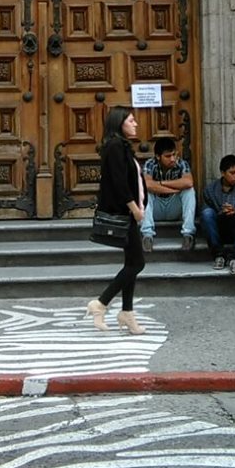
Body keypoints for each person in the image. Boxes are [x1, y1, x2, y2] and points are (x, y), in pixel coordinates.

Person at [86, 105, 147, 335]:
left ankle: (127, 313)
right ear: (120, 122)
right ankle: (101, 303)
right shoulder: (114, 146)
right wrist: (134, 208)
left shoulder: (121, 146)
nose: (136, 124)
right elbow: (120, 183)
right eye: (131, 120)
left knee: (131, 263)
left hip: (130, 213)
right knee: (137, 263)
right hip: (126, 213)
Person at [200, 154, 235, 274]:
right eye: (232, 173)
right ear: (223, 173)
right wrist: (222, 212)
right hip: (218, 230)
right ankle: (218, 255)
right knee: (206, 213)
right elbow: (205, 215)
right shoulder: (210, 190)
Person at [139, 137, 196, 252]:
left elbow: (188, 182)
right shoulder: (150, 164)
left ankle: (188, 234)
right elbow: (147, 185)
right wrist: (174, 188)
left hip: (174, 208)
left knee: (189, 191)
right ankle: (147, 235)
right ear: (158, 157)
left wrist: (160, 184)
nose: (172, 159)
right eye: (168, 156)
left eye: (174, 154)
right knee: (145, 192)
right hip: (156, 209)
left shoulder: (181, 163)